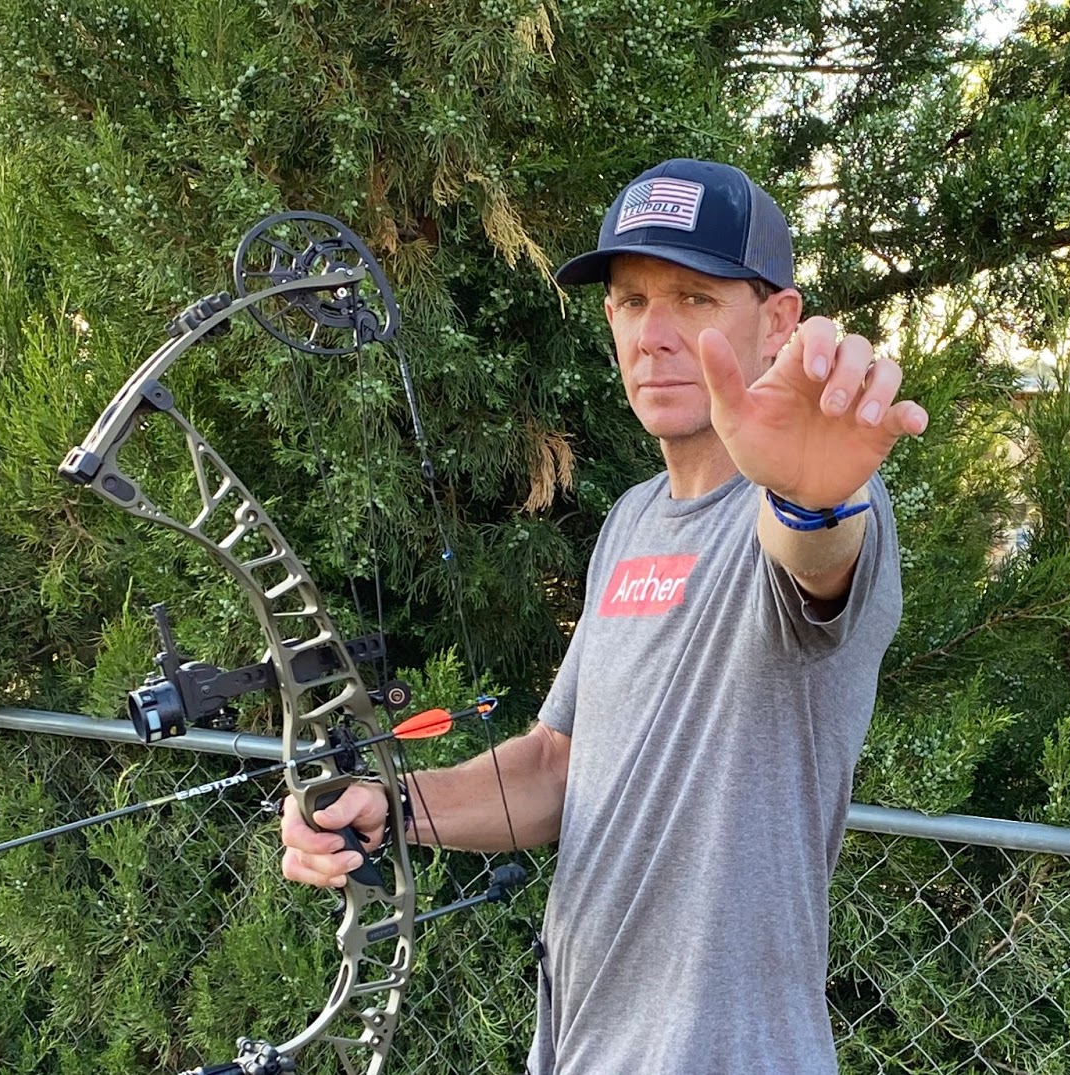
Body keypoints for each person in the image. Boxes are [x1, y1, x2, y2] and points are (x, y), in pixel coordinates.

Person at [280, 158, 929, 1073]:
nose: (653, 334)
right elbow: (555, 763)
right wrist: (388, 805)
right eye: (629, 301)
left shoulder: (811, 500)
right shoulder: (630, 521)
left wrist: (813, 501)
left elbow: (817, 563)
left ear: (778, 321)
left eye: (694, 298)